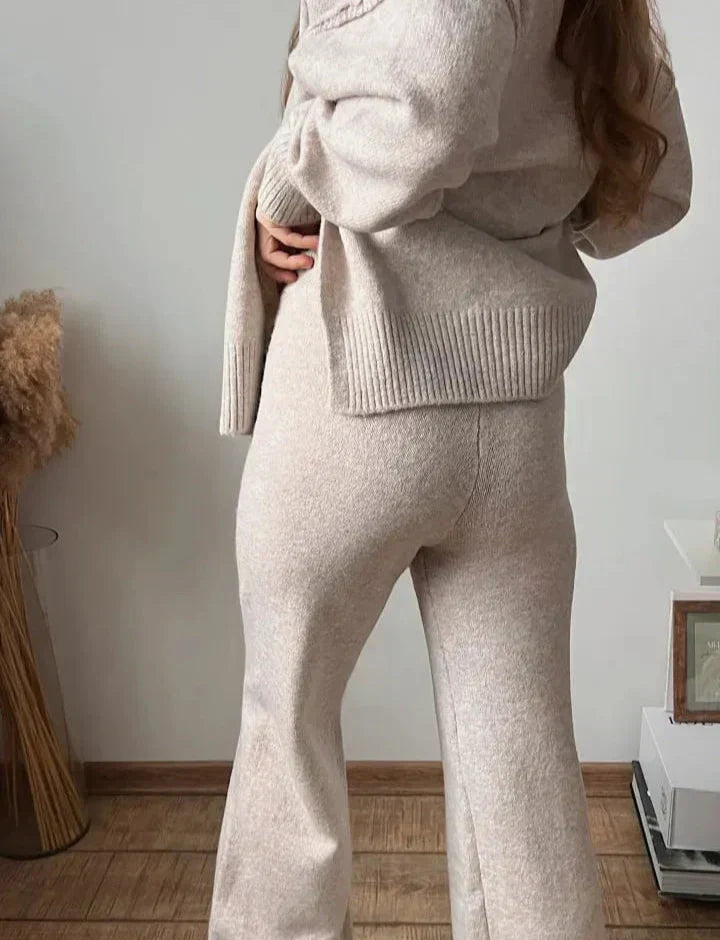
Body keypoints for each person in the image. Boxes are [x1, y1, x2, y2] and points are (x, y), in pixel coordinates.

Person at [209, 0, 692, 936]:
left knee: (287, 730)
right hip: (513, 430)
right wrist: (527, 191)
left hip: (354, 398)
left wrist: (290, 177)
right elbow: (656, 181)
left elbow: (436, 94)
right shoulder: (609, 16)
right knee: (519, 771)